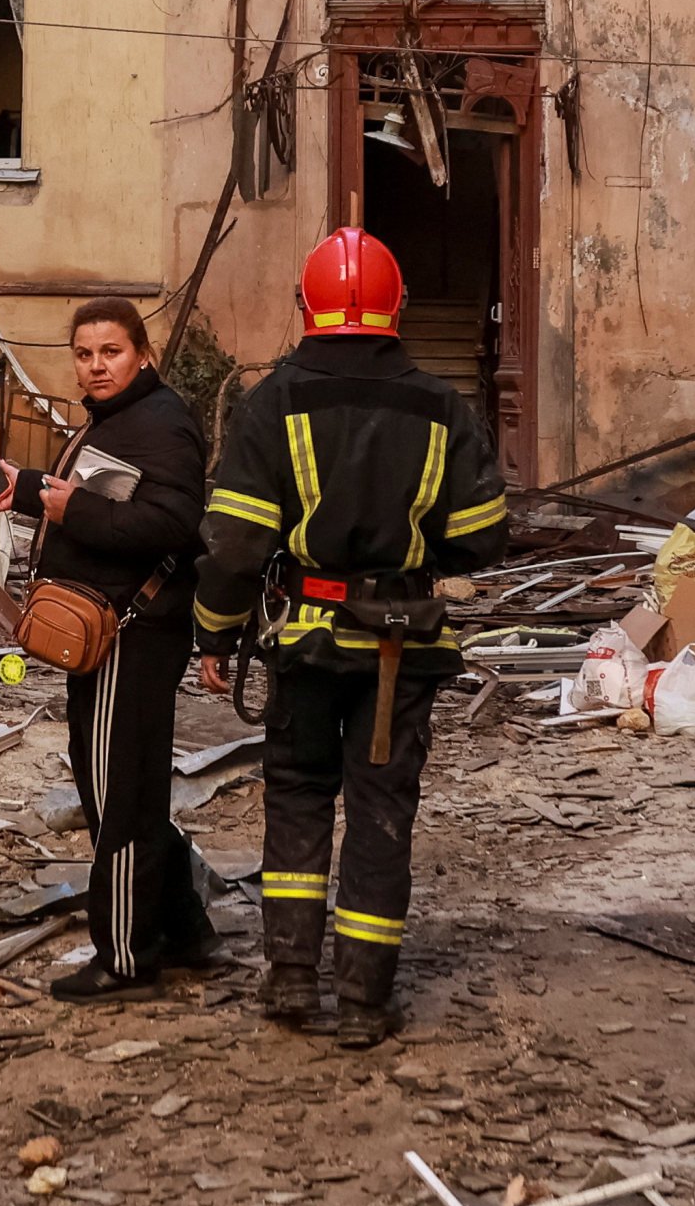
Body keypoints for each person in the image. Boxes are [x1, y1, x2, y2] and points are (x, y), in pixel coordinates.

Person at [190, 227, 511, 1046]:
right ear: (397, 306)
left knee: (297, 799)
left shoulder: (272, 404)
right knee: (380, 810)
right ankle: (365, 999)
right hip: (400, 647)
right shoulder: (443, 409)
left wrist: (215, 635)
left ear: (304, 306)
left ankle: (291, 980)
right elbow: (479, 540)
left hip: (304, 643)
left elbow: (232, 546)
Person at [25, 297, 217, 999]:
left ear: (141, 352)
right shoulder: (115, 421)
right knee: (121, 787)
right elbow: (107, 507)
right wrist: (28, 495)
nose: (96, 366)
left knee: (119, 799)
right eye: (83, 354)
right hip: (105, 632)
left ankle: (128, 959)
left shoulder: (161, 422)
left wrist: (70, 507)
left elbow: (172, 522)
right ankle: (187, 931)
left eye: (109, 352)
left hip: (131, 634)